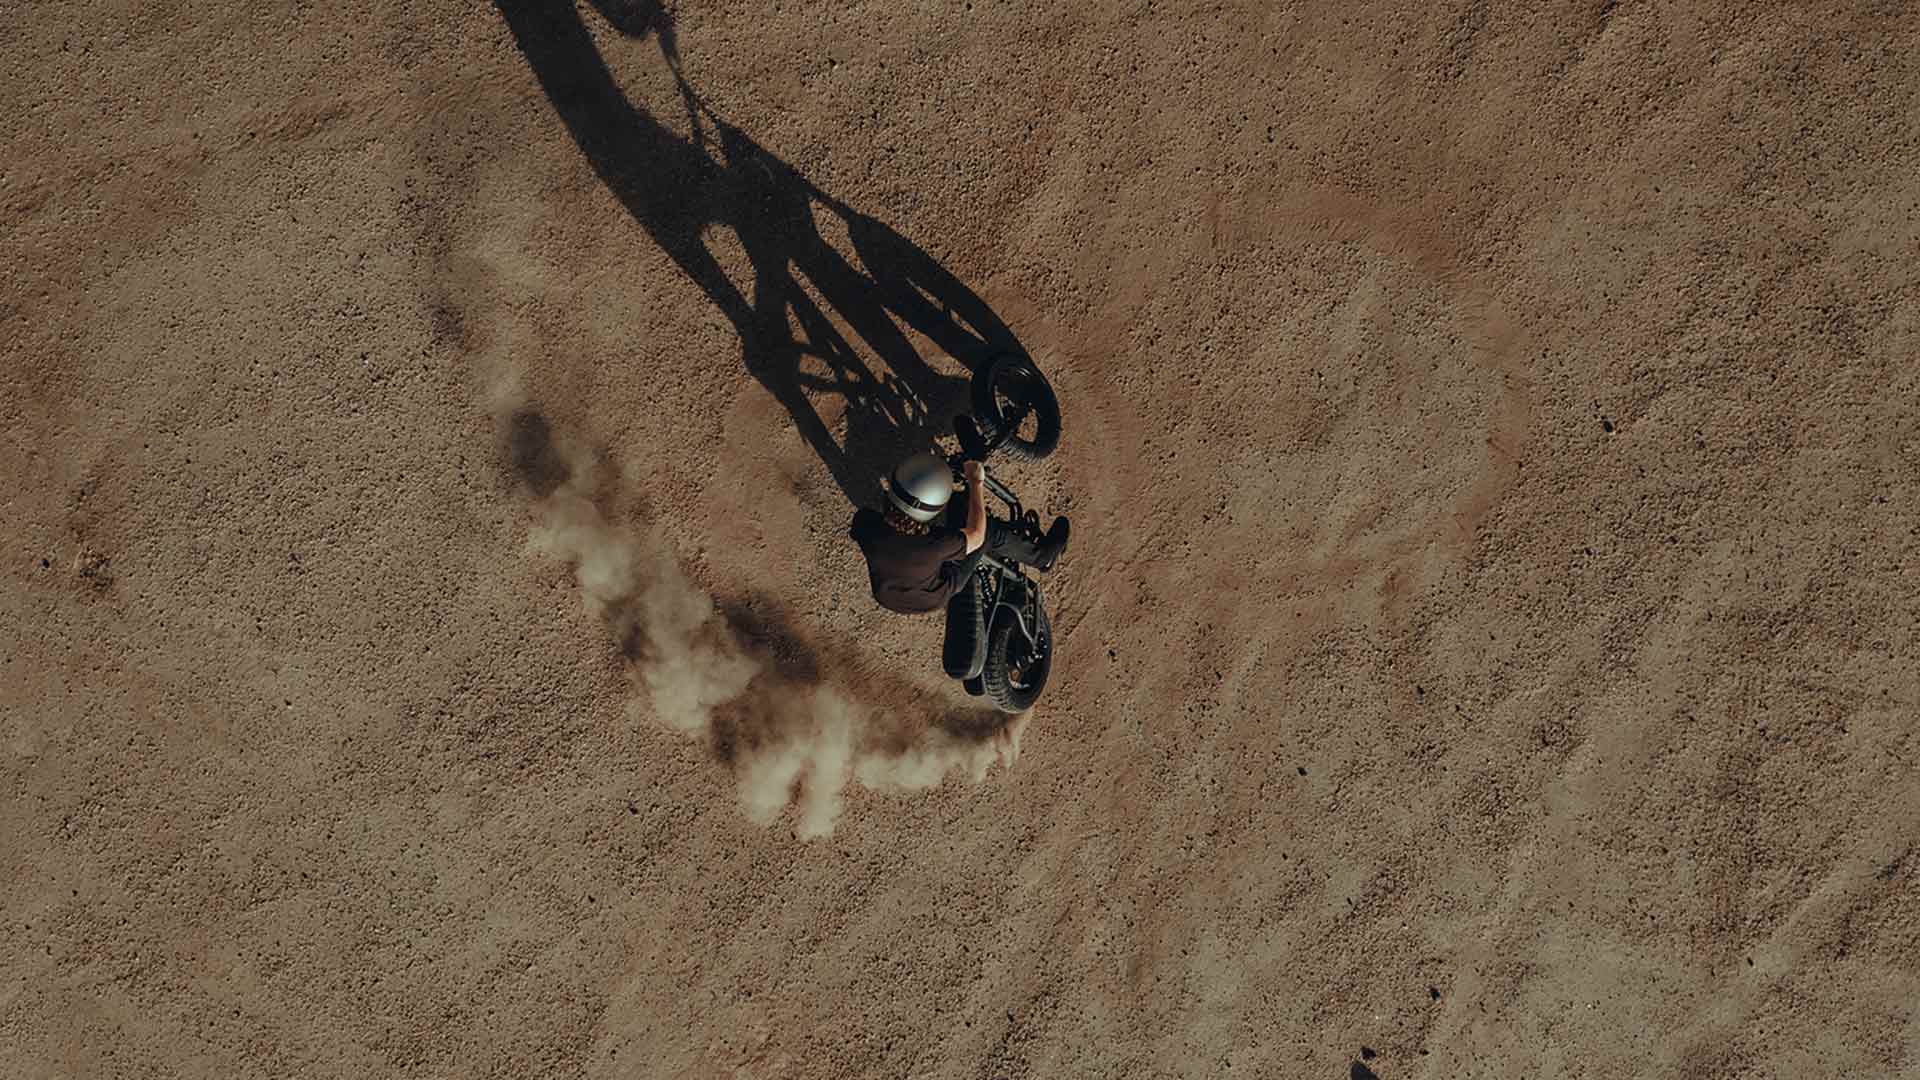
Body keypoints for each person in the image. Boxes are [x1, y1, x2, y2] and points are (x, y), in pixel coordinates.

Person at [849, 451, 1069, 615]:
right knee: (988, 532)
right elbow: (976, 534)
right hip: (936, 593)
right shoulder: (934, 546)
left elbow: (865, 525)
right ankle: (1042, 557)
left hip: (888, 597)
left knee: (957, 509)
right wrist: (976, 482)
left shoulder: (868, 527)